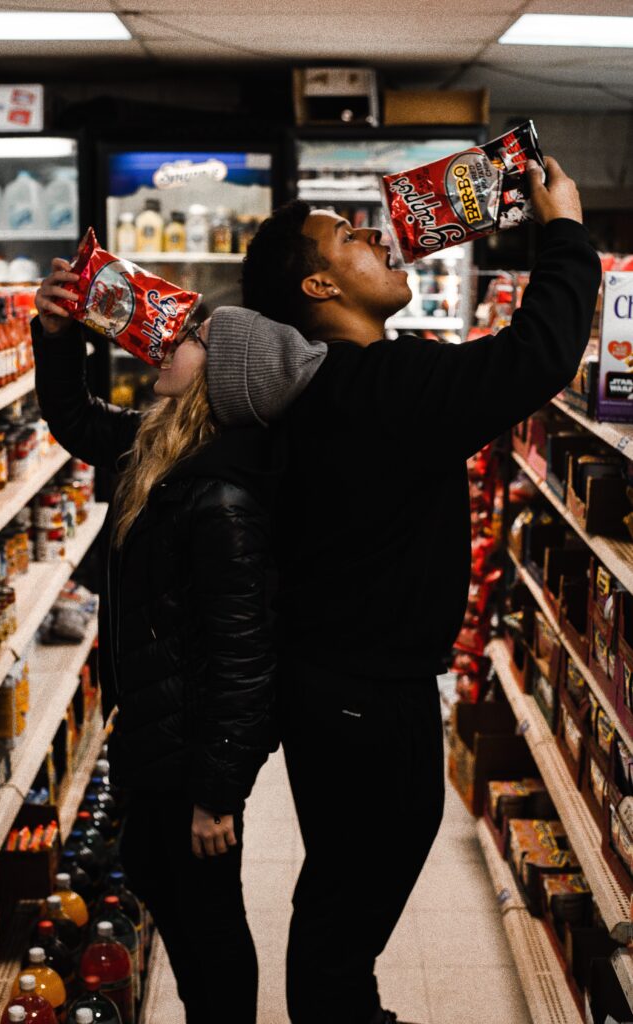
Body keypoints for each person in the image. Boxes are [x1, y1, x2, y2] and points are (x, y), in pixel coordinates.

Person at [207, 157, 602, 1024]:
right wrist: (563, 231)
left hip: (339, 686)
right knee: (351, 902)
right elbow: (536, 354)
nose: (377, 236)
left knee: (343, 894)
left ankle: (345, 1008)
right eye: (349, 237)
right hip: (362, 696)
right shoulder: (377, 389)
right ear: (318, 283)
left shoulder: (325, 388)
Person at [31, 260, 326, 1024]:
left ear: (218, 379)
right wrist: (57, 333)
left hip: (191, 753)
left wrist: (216, 795)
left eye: (192, 337)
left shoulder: (222, 499)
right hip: (155, 735)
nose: (171, 341)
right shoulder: (164, 449)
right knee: (162, 884)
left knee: (208, 923)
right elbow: (74, 418)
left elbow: (244, 661)